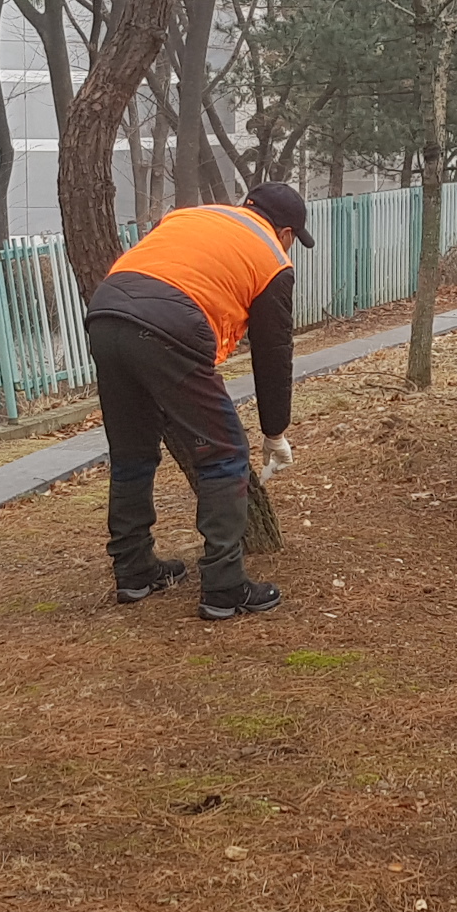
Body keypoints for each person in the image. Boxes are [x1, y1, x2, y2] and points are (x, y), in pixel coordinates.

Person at [86, 182, 310, 619]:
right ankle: (225, 587)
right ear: (285, 232)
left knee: (131, 451)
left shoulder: (192, 215)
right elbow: (273, 354)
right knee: (225, 453)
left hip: (105, 314)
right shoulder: (273, 259)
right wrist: (274, 432)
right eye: (294, 241)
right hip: (171, 325)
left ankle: (134, 570)